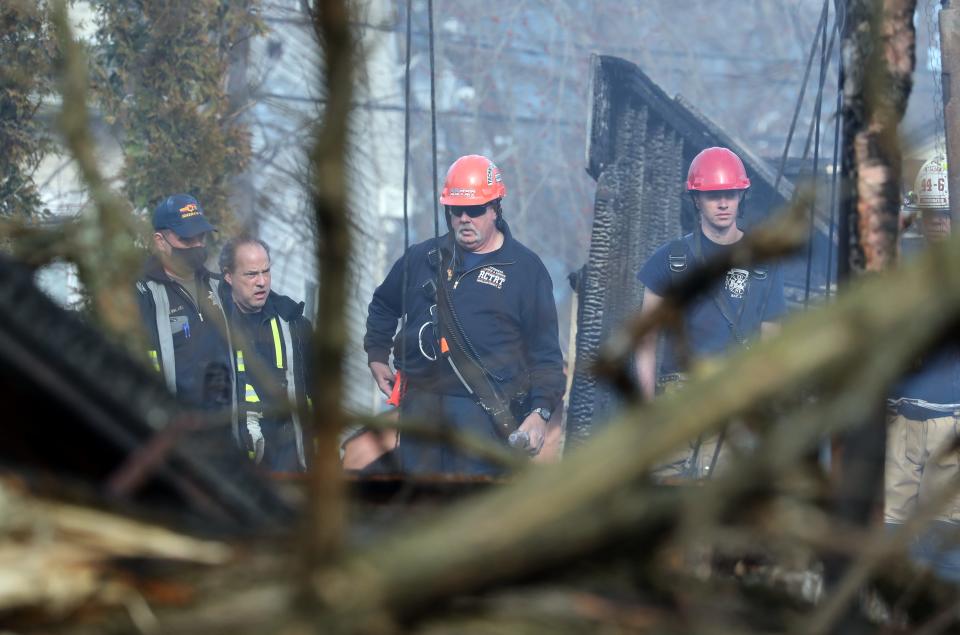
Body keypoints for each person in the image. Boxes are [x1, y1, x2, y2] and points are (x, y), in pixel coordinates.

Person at [363, 154, 565, 475]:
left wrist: (539, 414)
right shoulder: (422, 258)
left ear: (496, 209)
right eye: (457, 210)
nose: (464, 219)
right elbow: (384, 305)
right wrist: (376, 354)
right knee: (418, 512)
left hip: (484, 421)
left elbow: (547, 357)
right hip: (420, 413)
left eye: (474, 210)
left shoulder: (526, 271)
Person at [635, 147, 786, 479]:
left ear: (740, 195)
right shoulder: (669, 260)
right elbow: (645, 342)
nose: (722, 203)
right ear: (696, 200)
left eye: (730, 194)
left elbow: (771, 345)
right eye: (713, 195)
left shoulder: (763, 263)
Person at [885, 155, 960, 581]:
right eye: (932, 214)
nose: (939, 224)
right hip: (904, 419)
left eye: (946, 214)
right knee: (892, 538)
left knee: (946, 544)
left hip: (950, 422)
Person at [217, 235, 312, 472]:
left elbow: (320, 392)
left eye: (266, 272)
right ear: (228, 276)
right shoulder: (212, 326)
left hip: (290, 459)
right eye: (251, 274)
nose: (262, 282)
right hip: (235, 464)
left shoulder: (294, 325)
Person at [136, 193, 235, 416]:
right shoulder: (142, 296)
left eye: (200, 238)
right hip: (175, 430)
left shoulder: (220, 289)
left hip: (223, 427)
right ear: (160, 242)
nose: (197, 246)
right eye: (186, 240)